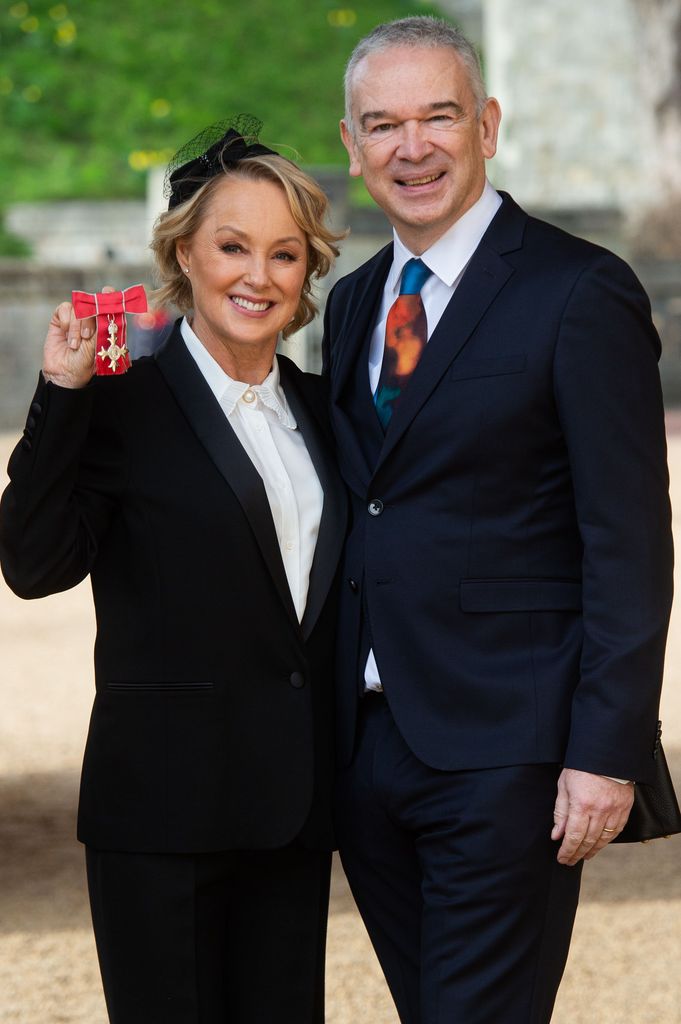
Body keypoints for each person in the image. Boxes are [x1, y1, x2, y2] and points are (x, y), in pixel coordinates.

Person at [322, 16, 674, 1024]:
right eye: (383, 124)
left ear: (487, 123)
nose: (413, 146)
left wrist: (606, 747)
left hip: (511, 752)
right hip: (366, 752)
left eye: (439, 116)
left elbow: (630, 542)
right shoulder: (350, 307)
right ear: (351, 145)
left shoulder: (580, 290)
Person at [0, 120, 347, 1024]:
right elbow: (34, 568)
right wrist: (60, 395)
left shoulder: (322, 410)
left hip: (293, 813)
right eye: (232, 246)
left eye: (283, 253)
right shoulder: (118, 401)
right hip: (159, 816)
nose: (256, 275)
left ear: (306, 270)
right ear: (184, 252)